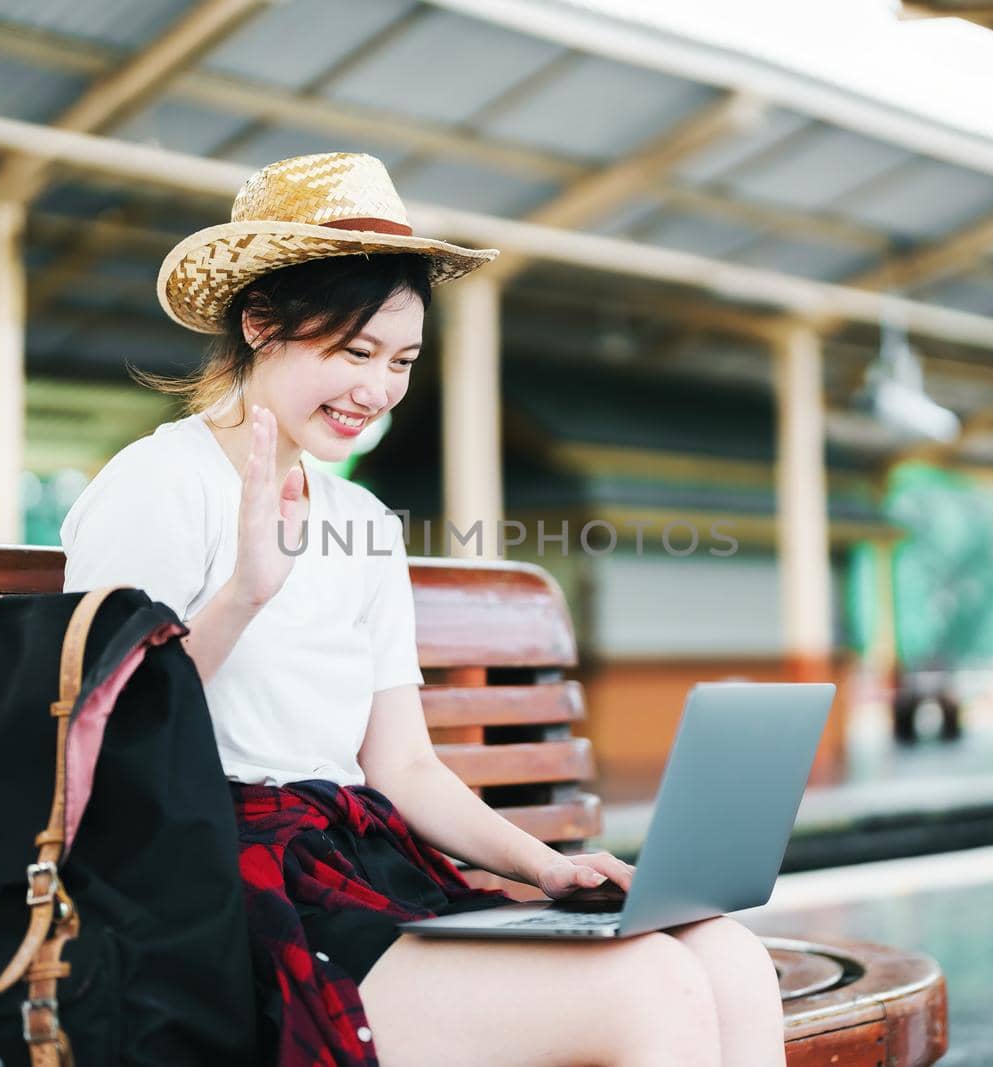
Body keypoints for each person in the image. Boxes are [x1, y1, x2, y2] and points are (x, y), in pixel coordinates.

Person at [61, 152, 784, 1067]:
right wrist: (244, 594)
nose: (379, 388)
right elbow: (100, 730)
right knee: (653, 987)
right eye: (355, 351)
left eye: (401, 360)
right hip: (209, 893)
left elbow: (400, 763)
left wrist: (550, 867)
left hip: (351, 867)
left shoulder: (362, 521)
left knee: (726, 955)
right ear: (261, 323)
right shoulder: (157, 484)